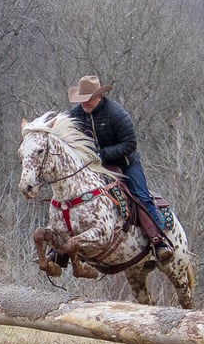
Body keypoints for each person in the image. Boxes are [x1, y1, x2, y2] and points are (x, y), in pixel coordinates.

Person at [66, 75, 173, 263]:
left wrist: (102, 154)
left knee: (139, 195)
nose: (84, 103)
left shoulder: (116, 113)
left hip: (124, 163)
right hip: (92, 166)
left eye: (87, 99)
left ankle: (159, 241)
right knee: (69, 196)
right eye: (81, 99)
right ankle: (60, 251)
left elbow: (130, 143)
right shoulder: (75, 115)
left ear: (98, 97)